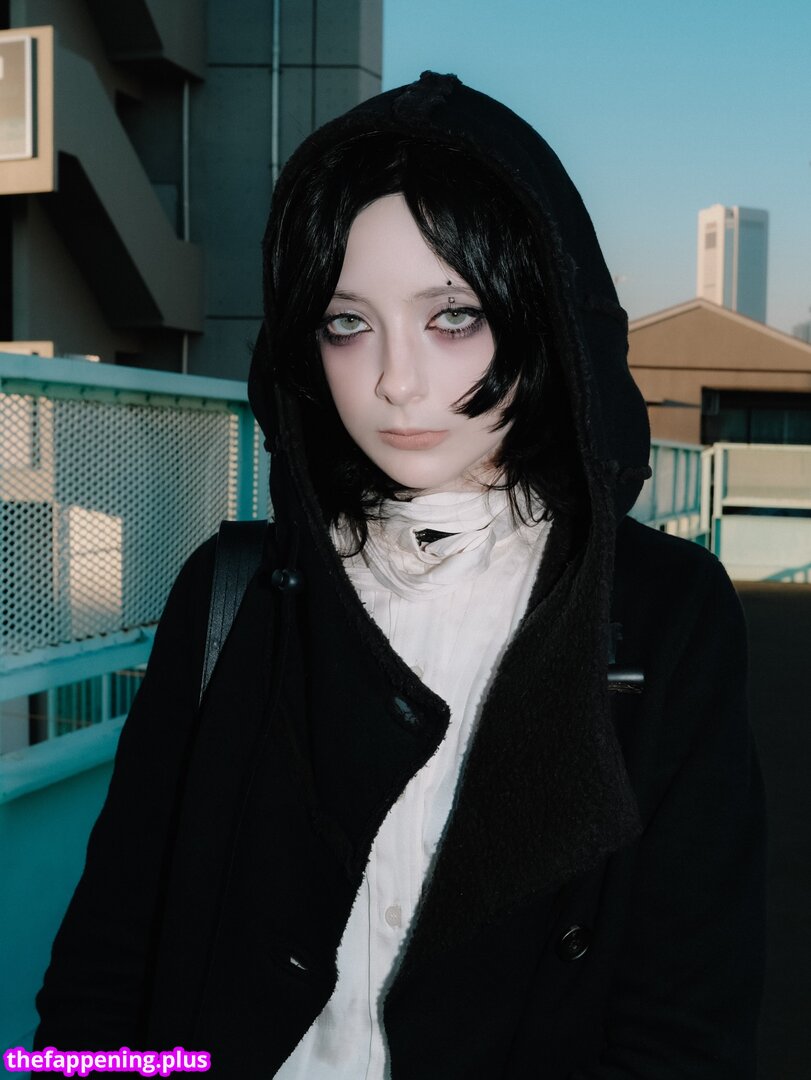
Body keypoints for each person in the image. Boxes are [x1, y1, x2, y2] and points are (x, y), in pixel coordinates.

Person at [34, 72, 766, 1078]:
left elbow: (687, 1010)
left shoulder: (660, 609)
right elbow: (111, 950)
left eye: (452, 315)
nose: (393, 380)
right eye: (346, 322)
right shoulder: (233, 592)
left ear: (548, 317)